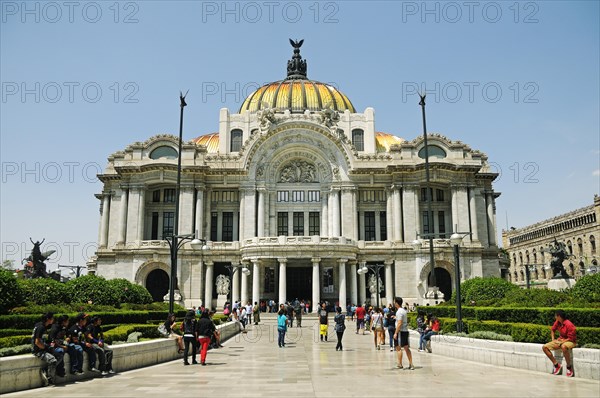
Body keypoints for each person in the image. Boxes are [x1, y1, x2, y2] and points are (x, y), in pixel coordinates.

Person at [542, 310, 577, 377]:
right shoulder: (557, 322)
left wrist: (562, 342)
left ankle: (569, 367)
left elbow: (571, 338)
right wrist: (553, 339)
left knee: (563, 347)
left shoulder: (569, 324)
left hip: (571, 341)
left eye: (555, 316)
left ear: (559, 316)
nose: (555, 317)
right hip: (560, 340)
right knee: (545, 347)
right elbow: (552, 330)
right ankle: (556, 365)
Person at [32, 312, 61, 386]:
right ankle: (49, 377)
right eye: (52, 318)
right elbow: (37, 342)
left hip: (44, 348)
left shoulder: (43, 326)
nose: (53, 319)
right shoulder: (40, 327)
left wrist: (50, 345)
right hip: (39, 350)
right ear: (48, 319)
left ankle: (46, 369)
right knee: (53, 360)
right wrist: (46, 348)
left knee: (59, 356)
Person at [393, 297, 414, 370]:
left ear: (396, 303)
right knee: (406, 348)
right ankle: (411, 364)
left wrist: (396, 333)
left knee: (398, 348)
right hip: (405, 331)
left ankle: (400, 364)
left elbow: (399, 323)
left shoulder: (399, 311)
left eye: (394, 302)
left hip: (400, 332)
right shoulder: (404, 311)